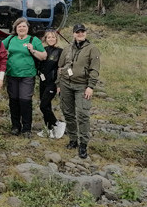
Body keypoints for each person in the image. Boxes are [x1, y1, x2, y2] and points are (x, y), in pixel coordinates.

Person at [57, 24, 100, 159]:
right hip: (66, 84)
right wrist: (58, 84)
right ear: (73, 33)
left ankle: (83, 144)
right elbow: (60, 66)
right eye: (77, 32)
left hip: (82, 86)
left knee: (82, 114)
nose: (80, 34)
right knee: (68, 113)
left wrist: (90, 86)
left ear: (85, 33)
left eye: (82, 31)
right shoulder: (67, 48)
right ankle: (73, 139)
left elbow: (94, 70)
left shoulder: (92, 49)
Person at [2, 17, 46, 138]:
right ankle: (15, 126)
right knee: (13, 100)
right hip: (11, 74)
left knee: (25, 101)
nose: (21, 28)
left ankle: (26, 128)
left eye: (24, 26)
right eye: (19, 26)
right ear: (15, 28)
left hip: (27, 75)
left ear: (28, 28)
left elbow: (43, 56)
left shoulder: (34, 40)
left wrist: (33, 51)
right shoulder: (10, 39)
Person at [36, 30, 66, 139]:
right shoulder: (43, 50)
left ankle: (57, 123)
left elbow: (61, 68)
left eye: (53, 37)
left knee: (43, 105)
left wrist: (59, 84)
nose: (51, 39)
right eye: (49, 37)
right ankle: (48, 129)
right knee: (46, 105)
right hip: (43, 81)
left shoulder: (60, 51)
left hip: (52, 83)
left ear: (56, 39)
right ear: (45, 39)